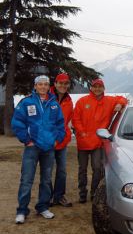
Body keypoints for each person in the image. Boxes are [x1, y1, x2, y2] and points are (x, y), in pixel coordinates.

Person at [11, 75, 65, 224]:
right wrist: (27, 140)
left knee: (46, 180)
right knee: (26, 179)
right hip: (32, 147)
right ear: (35, 86)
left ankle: (43, 207)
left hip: (48, 148)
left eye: (45, 84)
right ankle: (22, 211)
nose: (42, 87)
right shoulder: (26, 102)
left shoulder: (54, 104)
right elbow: (17, 122)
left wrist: (56, 140)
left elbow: (61, 124)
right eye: (39, 84)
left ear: (49, 87)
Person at [72, 78, 127, 203]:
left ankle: (94, 193)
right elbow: (76, 119)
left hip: (98, 142)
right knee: (82, 169)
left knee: (97, 168)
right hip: (83, 141)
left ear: (103, 88)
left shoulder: (109, 101)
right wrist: (82, 133)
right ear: (91, 88)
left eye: (100, 86)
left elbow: (123, 98)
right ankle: (82, 193)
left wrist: (120, 103)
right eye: (95, 86)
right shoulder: (82, 101)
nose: (97, 89)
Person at [50, 73, 73, 207]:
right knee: (47, 171)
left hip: (62, 141)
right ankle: (47, 197)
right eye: (61, 83)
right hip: (49, 141)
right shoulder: (47, 98)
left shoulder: (69, 101)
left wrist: (67, 135)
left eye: (66, 84)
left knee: (62, 171)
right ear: (55, 83)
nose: (63, 86)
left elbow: (68, 121)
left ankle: (59, 196)